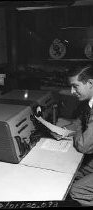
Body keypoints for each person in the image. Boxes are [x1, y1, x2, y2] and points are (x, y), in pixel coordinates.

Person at [52, 64, 93, 206]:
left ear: (90, 83)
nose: (72, 91)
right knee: (69, 175)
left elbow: (83, 146)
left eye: (75, 86)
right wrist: (65, 129)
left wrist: (76, 131)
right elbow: (80, 121)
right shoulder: (89, 103)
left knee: (76, 191)